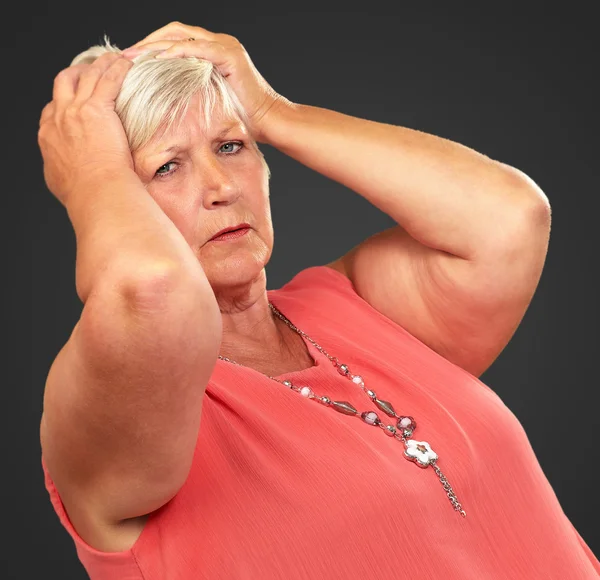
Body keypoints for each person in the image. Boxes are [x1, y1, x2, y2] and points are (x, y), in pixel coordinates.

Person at [37, 21, 598, 580]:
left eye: (231, 146)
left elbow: (509, 219)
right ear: (112, 204)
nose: (221, 185)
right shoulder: (106, 402)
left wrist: (274, 111)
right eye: (167, 167)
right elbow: (153, 290)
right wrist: (89, 168)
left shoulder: (353, 306)